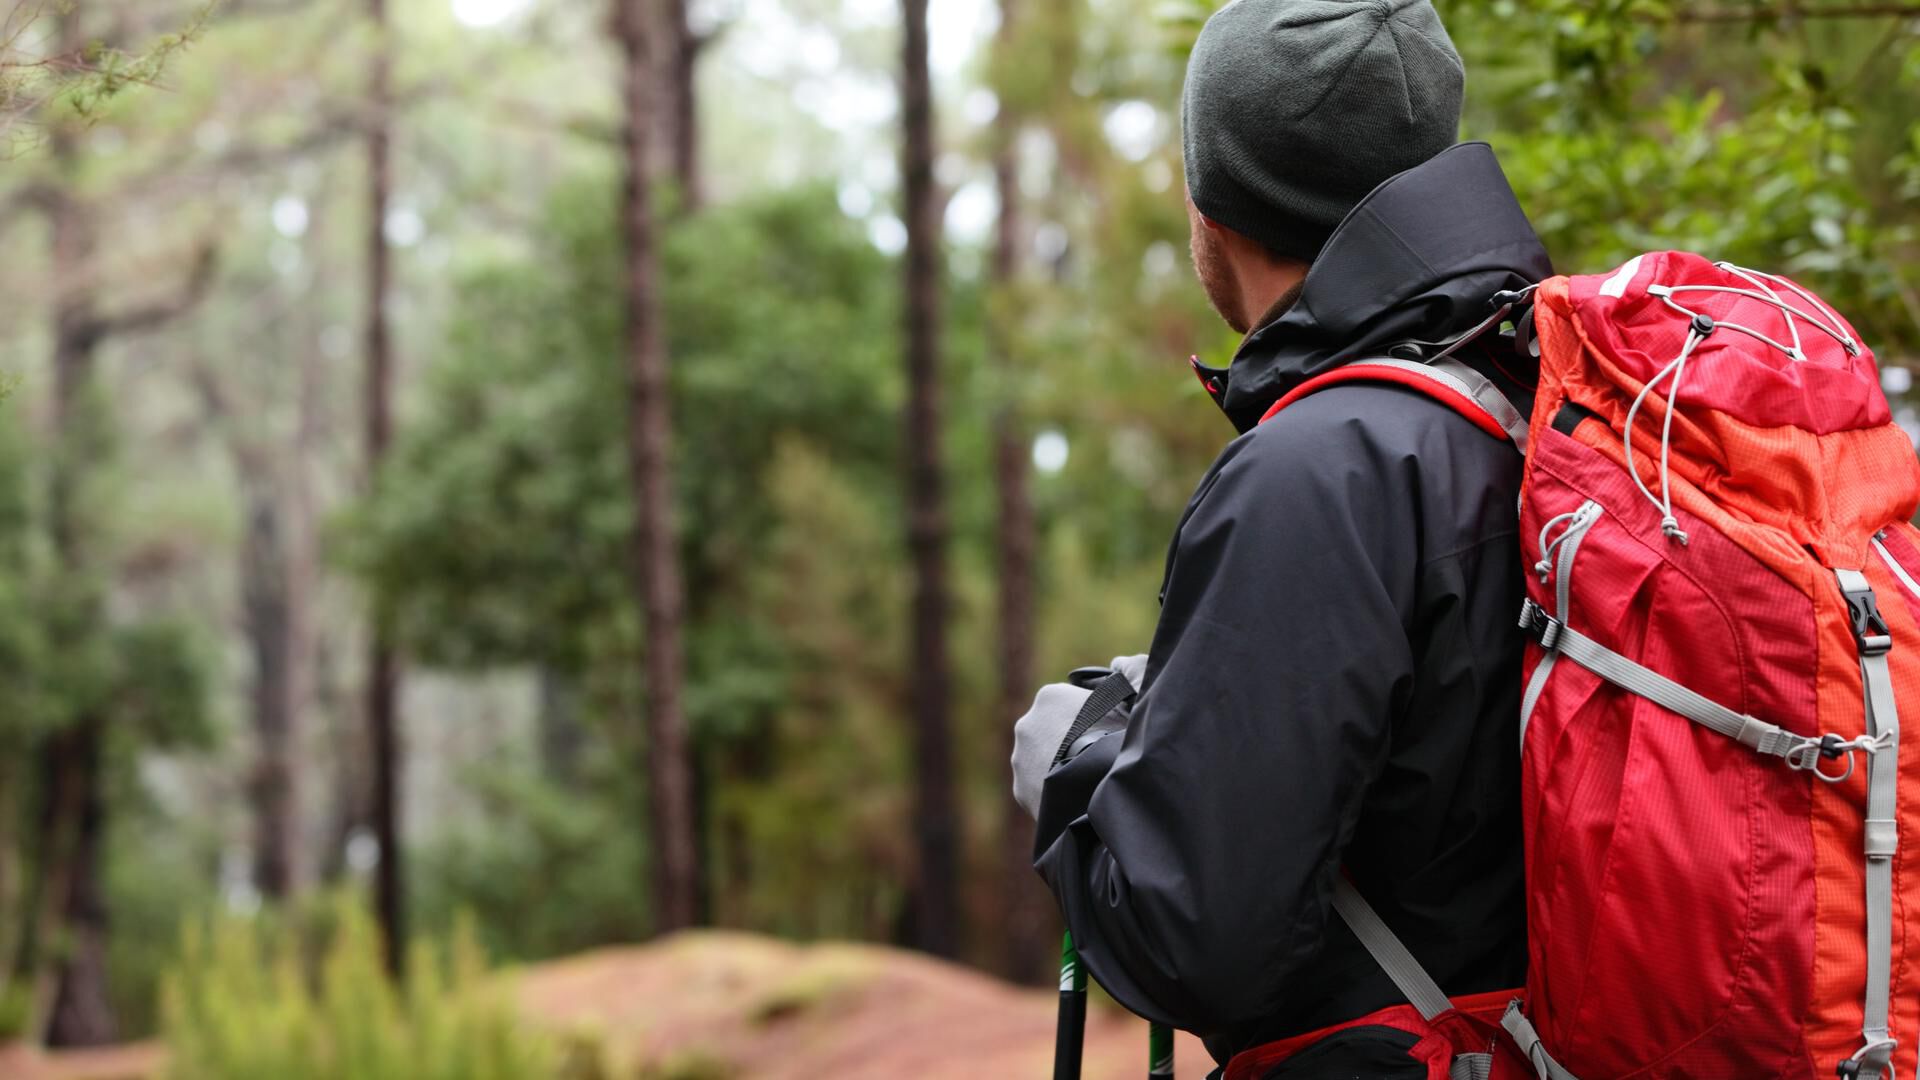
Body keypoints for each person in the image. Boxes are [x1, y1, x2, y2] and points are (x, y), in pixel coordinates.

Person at [1009, 0, 1554, 1074]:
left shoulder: (1322, 470)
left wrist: (1074, 761)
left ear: (1216, 201)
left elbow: (1196, 944)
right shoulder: (1542, 392)